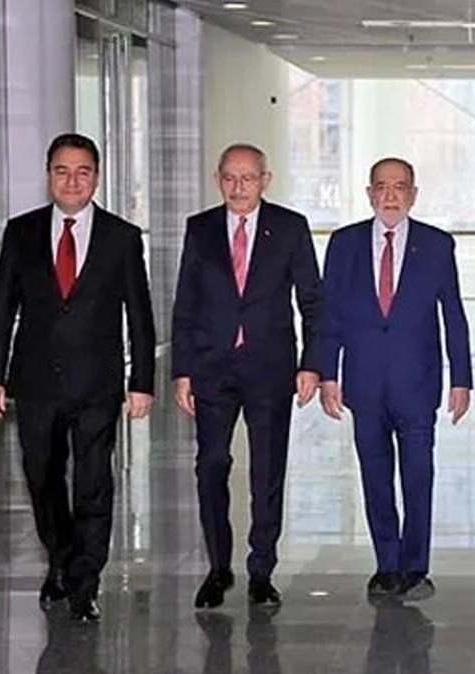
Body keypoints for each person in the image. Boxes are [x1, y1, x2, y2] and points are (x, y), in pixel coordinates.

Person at [0, 133, 156, 622]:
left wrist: (142, 381)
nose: (72, 181)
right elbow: (1, 309)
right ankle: (59, 557)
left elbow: (140, 316)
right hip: (35, 382)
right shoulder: (21, 233)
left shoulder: (121, 237)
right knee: (42, 476)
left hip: (98, 383)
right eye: (62, 171)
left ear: (96, 178)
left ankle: (84, 582)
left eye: (82, 172)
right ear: (49, 175)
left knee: (94, 482)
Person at [171, 143, 324, 609]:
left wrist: (312, 364)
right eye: (230, 178)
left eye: (248, 178)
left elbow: (312, 301)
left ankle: (262, 571)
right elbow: (185, 302)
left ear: (265, 180)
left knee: (267, 470)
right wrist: (182, 370)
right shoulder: (200, 229)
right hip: (211, 367)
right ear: (218, 179)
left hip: (270, 367)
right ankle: (219, 568)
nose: (238, 188)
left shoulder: (291, 228)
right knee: (211, 463)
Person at [319, 157, 472, 601]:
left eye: (400, 186)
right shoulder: (344, 244)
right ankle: (387, 564)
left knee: (419, 475)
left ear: (413, 194)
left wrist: (461, 378)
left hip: (417, 382)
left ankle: (415, 567)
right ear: (369, 194)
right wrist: (328, 373)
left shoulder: (436, 245)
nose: (390, 195)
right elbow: (330, 315)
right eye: (382, 187)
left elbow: (454, 314)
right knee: (375, 475)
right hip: (364, 382)